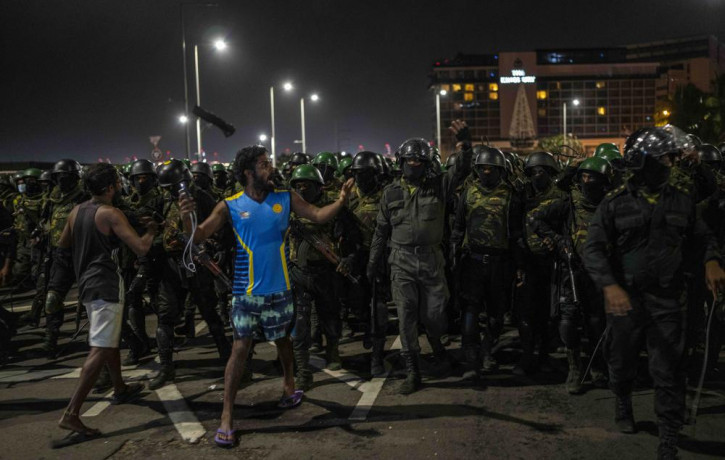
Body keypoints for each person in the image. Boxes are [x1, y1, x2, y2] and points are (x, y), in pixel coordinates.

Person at [178, 145, 354, 447]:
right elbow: (198, 235)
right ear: (248, 172)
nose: (270, 167)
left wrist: (341, 200)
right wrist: (186, 218)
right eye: (263, 164)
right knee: (240, 349)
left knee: (283, 339)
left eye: (269, 162)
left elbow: (318, 215)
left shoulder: (284, 199)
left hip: (280, 289)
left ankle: (289, 388)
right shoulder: (230, 205)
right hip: (246, 293)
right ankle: (227, 416)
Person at [582, 126, 725, 459]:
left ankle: (669, 436)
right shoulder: (614, 204)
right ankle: (623, 399)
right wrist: (610, 286)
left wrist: (712, 262)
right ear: (644, 162)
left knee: (668, 369)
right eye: (665, 158)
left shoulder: (681, 200)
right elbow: (593, 249)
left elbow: (703, 238)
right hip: (626, 301)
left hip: (667, 299)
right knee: (622, 362)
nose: (671, 164)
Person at [367, 121, 472, 395]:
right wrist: (373, 262)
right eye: (409, 160)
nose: (413, 164)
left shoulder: (439, 187)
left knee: (435, 315)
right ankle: (413, 371)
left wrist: (464, 142)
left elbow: (461, 168)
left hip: (431, 261)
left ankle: (437, 346)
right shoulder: (390, 193)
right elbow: (380, 231)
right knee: (406, 317)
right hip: (400, 261)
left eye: (418, 160)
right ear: (401, 162)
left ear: (426, 163)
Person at [53, 163, 157, 437]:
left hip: (86, 284)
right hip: (106, 284)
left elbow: (62, 246)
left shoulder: (76, 212)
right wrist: (153, 230)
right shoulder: (111, 213)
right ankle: (72, 413)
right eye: (118, 183)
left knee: (108, 339)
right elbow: (141, 247)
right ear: (110, 187)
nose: (121, 186)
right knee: (100, 347)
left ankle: (120, 386)